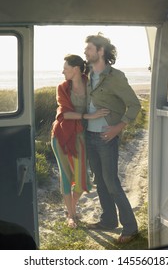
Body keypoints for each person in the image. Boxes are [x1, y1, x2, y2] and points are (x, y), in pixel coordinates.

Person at [84, 33, 141, 243]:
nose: (86, 52)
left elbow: (134, 104)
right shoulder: (88, 74)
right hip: (89, 135)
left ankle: (130, 227)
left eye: (89, 49)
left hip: (107, 137)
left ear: (100, 51)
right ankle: (108, 220)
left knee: (111, 183)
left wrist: (118, 127)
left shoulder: (116, 76)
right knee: (99, 182)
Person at [51, 54, 109, 228]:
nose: (62, 71)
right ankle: (71, 216)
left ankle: (70, 210)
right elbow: (64, 115)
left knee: (82, 179)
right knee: (66, 176)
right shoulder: (62, 87)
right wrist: (88, 116)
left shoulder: (91, 83)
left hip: (81, 136)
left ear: (76, 69)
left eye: (66, 68)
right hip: (61, 135)